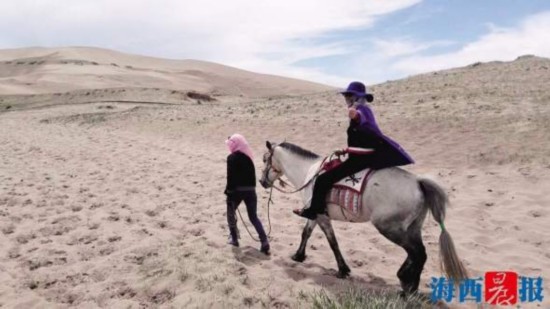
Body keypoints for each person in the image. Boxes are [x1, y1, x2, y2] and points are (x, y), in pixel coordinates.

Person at [294, 81, 414, 220]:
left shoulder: (363, 110)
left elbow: (361, 119)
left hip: (360, 159)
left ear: (356, 97)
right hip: (358, 155)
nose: (346, 98)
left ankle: (313, 211)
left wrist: (355, 115)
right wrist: (346, 150)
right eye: (346, 95)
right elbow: (364, 139)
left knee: (322, 179)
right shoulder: (362, 109)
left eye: (349, 95)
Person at [225, 133, 270, 255]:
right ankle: (264, 241)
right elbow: (252, 178)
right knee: (253, 217)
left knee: (230, 212)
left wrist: (228, 192)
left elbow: (231, 178)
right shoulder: (249, 158)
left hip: (237, 191)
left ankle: (234, 239)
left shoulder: (231, 158)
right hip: (251, 190)